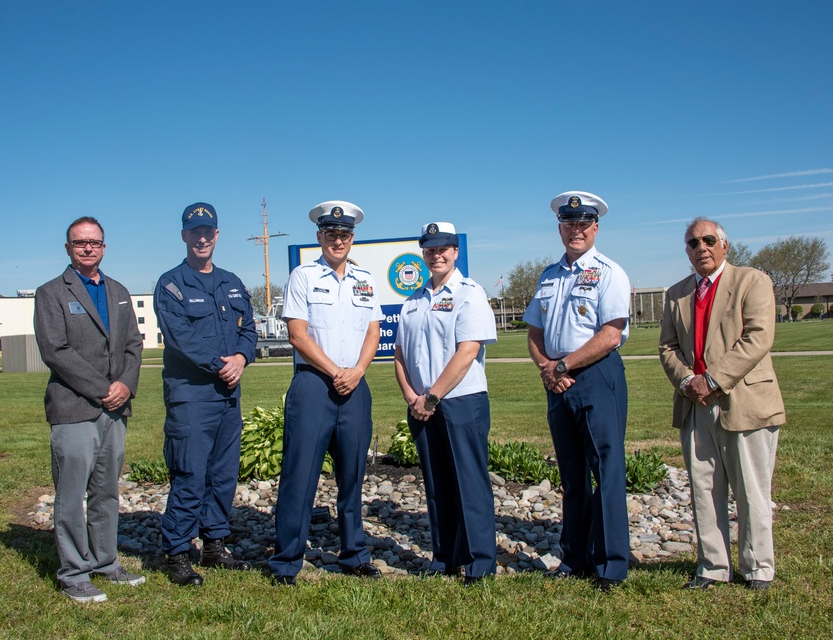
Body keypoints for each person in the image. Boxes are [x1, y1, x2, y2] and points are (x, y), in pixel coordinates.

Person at [659, 218, 785, 591]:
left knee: (750, 490)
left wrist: (712, 379)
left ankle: (757, 567)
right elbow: (667, 346)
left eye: (709, 240)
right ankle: (712, 566)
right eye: (693, 243)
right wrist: (687, 381)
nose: (702, 248)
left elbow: (758, 337)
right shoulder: (677, 293)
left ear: (724, 245)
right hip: (694, 403)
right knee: (703, 488)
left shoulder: (752, 281)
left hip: (744, 401)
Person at [267, 200, 383, 586]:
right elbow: (297, 334)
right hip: (314, 385)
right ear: (319, 236)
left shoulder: (365, 279)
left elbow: (373, 330)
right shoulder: (302, 276)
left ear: (352, 238)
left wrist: (359, 372)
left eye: (345, 234)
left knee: (352, 476)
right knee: (300, 476)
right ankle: (286, 560)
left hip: (355, 385)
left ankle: (354, 554)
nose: (338, 240)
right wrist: (336, 371)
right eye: (331, 234)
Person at [523, 191, 631, 592]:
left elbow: (611, 333)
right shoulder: (548, 275)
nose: (576, 230)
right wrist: (546, 368)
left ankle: (610, 564)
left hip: (596, 378)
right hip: (556, 381)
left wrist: (564, 365)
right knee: (571, 474)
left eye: (583, 223)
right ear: (560, 227)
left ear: (596, 227)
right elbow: (534, 331)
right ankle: (575, 557)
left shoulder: (609, 273)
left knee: (606, 469)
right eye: (569, 223)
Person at [34, 216, 144, 603]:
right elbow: (56, 352)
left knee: (106, 491)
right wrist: (103, 389)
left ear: (103, 247)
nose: (87, 248)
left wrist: (126, 386)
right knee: (71, 493)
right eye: (79, 243)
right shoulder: (50, 293)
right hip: (74, 407)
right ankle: (74, 573)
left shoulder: (118, 291)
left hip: (115, 410)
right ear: (68, 247)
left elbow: (134, 345)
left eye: (94, 243)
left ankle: (105, 561)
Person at [154, 202, 257, 586]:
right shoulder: (171, 285)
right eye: (194, 232)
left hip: (228, 396)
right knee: (190, 474)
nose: (202, 238)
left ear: (217, 235)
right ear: (184, 236)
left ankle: (214, 544)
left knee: (223, 474)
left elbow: (250, 328)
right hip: (192, 397)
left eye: (208, 232)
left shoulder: (232, 282)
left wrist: (243, 358)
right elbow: (183, 341)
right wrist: (224, 365)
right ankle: (178, 551)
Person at [393, 222, 498, 586]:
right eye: (430, 249)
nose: (436, 255)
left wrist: (433, 396)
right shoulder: (414, 300)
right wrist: (412, 396)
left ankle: (480, 562)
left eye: (443, 249)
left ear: (455, 252)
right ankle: (445, 556)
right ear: (423, 254)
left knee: (469, 481)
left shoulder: (470, 293)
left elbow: (468, 350)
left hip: (460, 401)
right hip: (421, 404)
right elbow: (400, 354)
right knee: (437, 483)